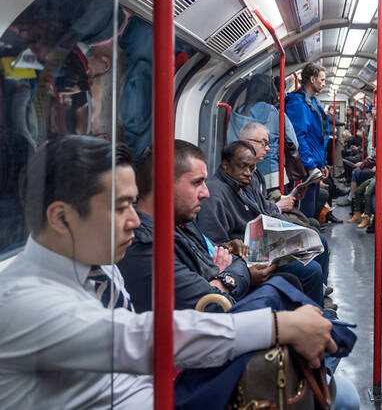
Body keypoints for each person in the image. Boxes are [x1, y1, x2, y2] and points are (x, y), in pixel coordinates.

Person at [0, 135, 336, 408]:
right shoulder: (22, 302)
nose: (135, 220)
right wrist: (276, 326)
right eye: (120, 208)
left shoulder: (98, 264)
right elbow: (139, 338)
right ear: (61, 218)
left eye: (133, 204)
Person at [118, 141, 260, 312]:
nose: (206, 193)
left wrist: (219, 279)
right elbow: (214, 305)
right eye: (197, 183)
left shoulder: (184, 223)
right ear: (163, 185)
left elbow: (236, 262)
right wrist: (221, 278)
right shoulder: (143, 245)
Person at [195, 141, 325, 305]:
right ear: (226, 166)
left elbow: (267, 210)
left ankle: (319, 300)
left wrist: (293, 230)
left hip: (265, 246)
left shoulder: (245, 184)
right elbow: (217, 246)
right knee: (311, 271)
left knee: (317, 242)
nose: (248, 173)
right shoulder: (215, 196)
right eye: (242, 166)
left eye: (252, 168)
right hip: (245, 258)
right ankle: (316, 315)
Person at [227, 73, 297, 191]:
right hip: (273, 174)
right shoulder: (274, 113)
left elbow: (231, 142)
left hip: (244, 172)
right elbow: (293, 142)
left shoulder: (238, 113)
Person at [285, 62, 330, 218]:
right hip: (304, 169)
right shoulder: (297, 103)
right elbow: (298, 138)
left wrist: (321, 164)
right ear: (312, 79)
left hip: (313, 166)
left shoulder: (313, 103)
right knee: (305, 213)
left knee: (311, 211)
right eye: (322, 80)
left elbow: (317, 138)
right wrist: (311, 166)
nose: (324, 84)